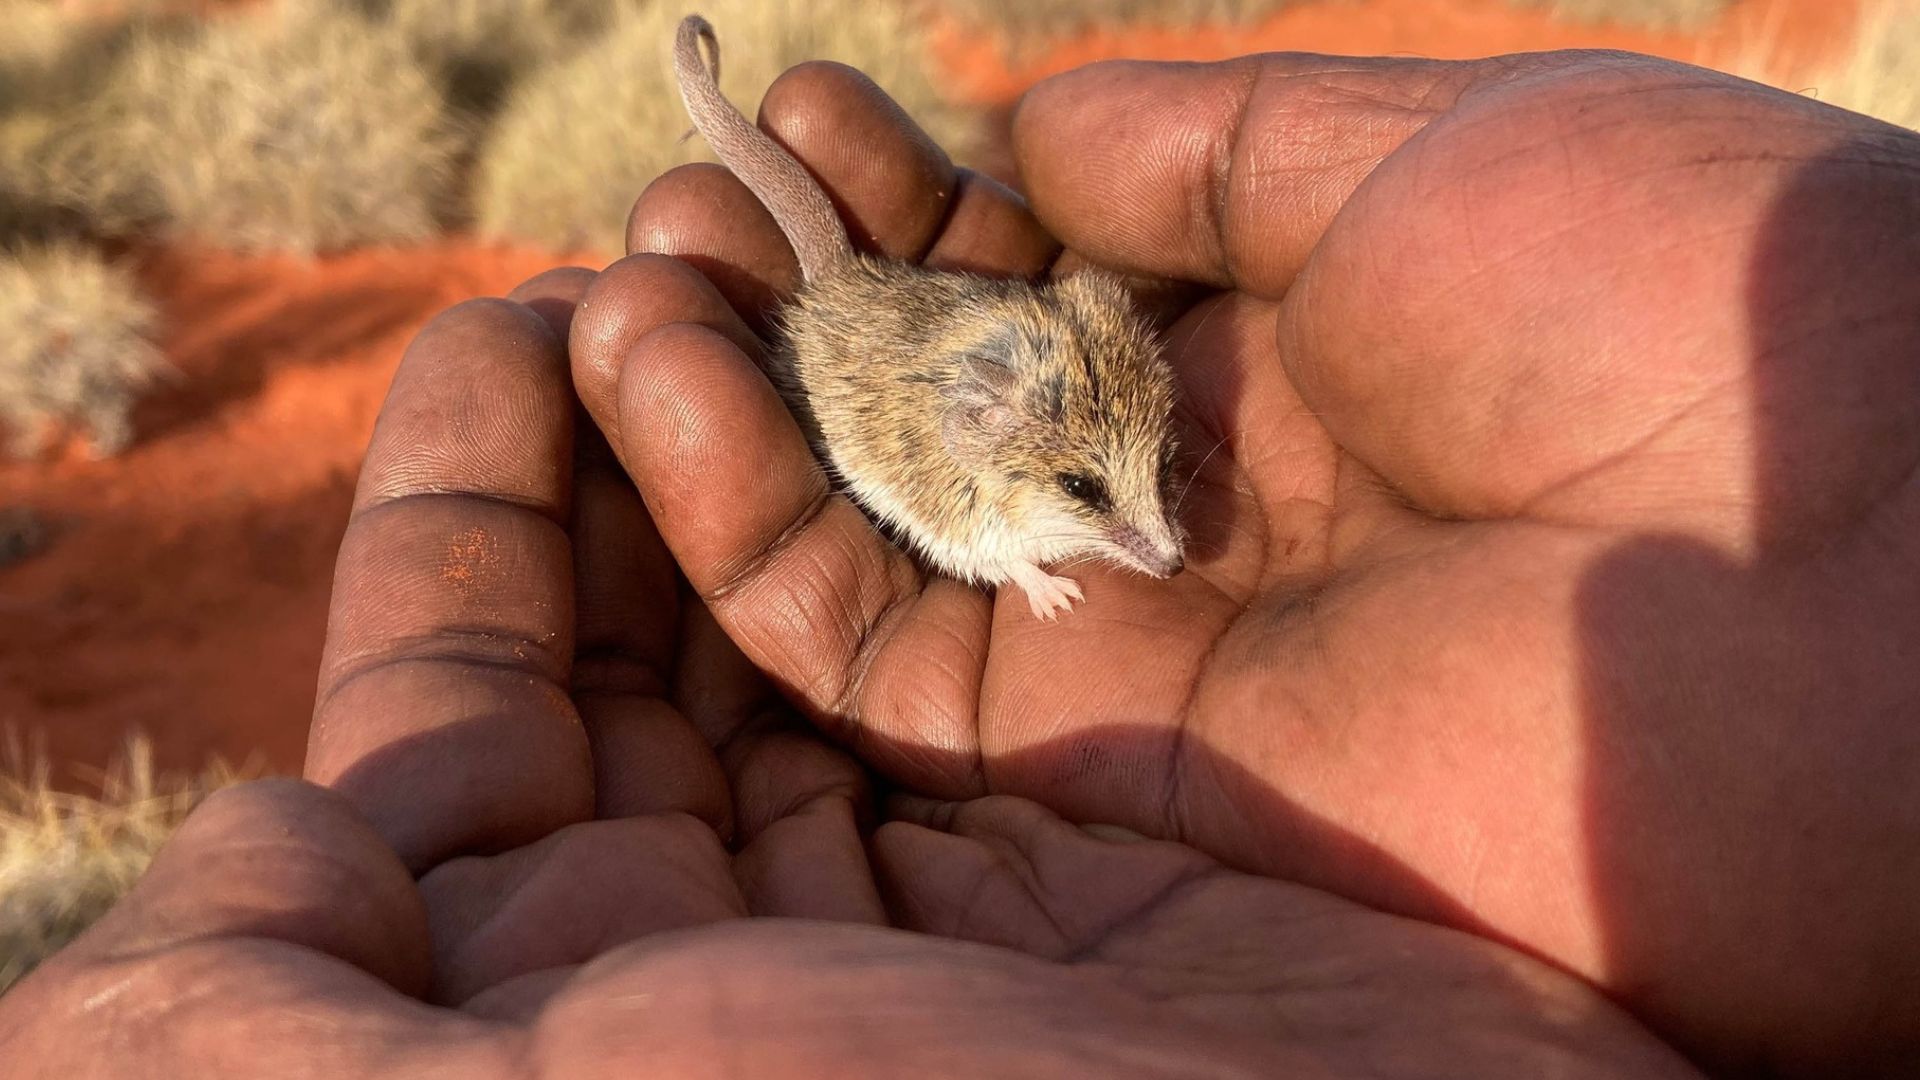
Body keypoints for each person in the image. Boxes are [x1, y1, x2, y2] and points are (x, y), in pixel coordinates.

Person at [2, 45, 1915, 1078]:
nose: (1157, 541)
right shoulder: (969, 449)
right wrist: (1019, 562)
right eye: (1108, 507)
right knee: (767, 306)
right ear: (1024, 443)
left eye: (1151, 486)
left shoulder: (1093, 381)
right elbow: (948, 512)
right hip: (885, 397)